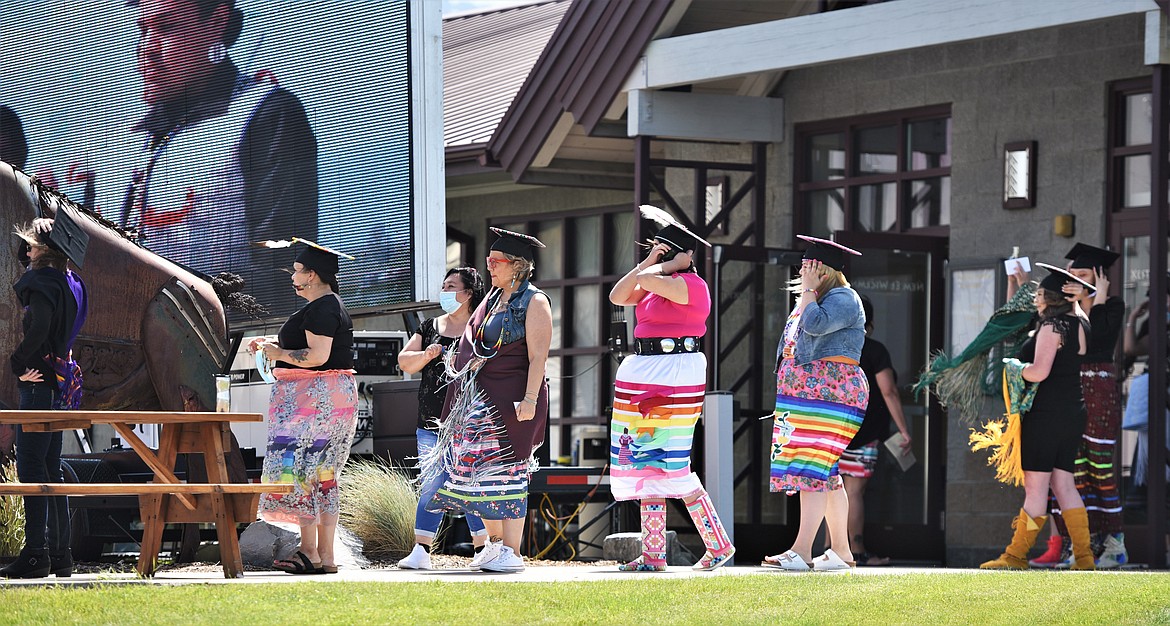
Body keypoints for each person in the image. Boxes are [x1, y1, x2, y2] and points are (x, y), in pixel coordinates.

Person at [116, 0, 317, 313]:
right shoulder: (131, 139)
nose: (147, 49)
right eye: (143, 30)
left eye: (165, 27)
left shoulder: (265, 114)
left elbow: (283, 275)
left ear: (216, 23)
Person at [607, 206, 735, 572]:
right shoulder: (653, 282)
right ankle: (653, 556)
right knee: (646, 461)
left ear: (686, 256)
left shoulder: (691, 286)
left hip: (674, 372)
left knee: (672, 462)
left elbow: (648, 280)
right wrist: (651, 259)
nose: (659, 256)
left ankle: (718, 544)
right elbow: (618, 295)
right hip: (645, 371)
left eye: (667, 250)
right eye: (657, 250)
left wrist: (660, 265)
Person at [420, 228, 552, 573]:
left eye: (496, 261)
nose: (490, 266)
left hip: (510, 400)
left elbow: (538, 357)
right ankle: (494, 546)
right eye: (489, 260)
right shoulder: (493, 297)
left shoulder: (534, 301)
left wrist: (529, 399)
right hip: (476, 400)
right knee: (476, 475)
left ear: (518, 265)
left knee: (508, 473)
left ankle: (512, 551)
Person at [978, 264, 1096, 570]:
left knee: (1036, 488)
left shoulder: (1052, 327)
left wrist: (1014, 368)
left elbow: (1040, 371)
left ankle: (1015, 556)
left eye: (1041, 295)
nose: (1037, 300)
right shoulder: (1081, 324)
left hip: (1045, 414)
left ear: (1053, 298)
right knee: (1064, 484)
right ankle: (1084, 558)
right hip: (1072, 411)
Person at [251, 240, 356, 575]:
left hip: (313, 397)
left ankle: (309, 551)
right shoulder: (325, 306)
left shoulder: (323, 307)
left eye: (297, 270)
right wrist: (274, 347)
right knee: (322, 475)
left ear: (312, 274)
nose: (293, 276)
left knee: (302, 470)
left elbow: (316, 356)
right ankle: (325, 556)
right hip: (327, 396)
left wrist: (278, 354)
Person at [763, 235, 868, 572]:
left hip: (830, 393)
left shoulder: (844, 298)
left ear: (826, 271)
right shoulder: (813, 299)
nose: (805, 273)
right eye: (804, 268)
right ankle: (841, 551)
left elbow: (816, 325)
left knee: (811, 469)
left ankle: (802, 550)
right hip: (809, 395)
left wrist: (807, 292)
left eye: (812, 268)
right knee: (825, 473)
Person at [2, 209, 89, 579]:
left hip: (38, 385)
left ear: (40, 248)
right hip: (60, 382)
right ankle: (60, 555)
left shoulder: (42, 281)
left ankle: (37, 554)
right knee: (51, 468)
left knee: (32, 468)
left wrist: (18, 362)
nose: (26, 250)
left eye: (30, 245)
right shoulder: (71, 281)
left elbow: (37, 327)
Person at [1029, 244, 1128, 569]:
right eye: (1072, 277)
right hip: (1072, 397)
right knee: (1075, 472)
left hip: (1099, 393)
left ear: (1100, 279)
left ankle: (1115, 542)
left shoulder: (1110, 306)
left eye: (1084, 277)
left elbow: (1097, 338)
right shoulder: (1067, 314)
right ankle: (1082, 546)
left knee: (1100, 468)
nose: (1075, 283)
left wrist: (1094, 298)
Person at [396, 267, 489, 570]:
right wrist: (426, 355)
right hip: (431, 424)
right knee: (432, 484)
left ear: (469, 293)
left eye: (452, 287)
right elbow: (404, 362)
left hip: (471, 425)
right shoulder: (430, 326)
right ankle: (422, 551)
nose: (445, 292)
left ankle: (483, 549)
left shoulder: (482, 328)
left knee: (471, 485)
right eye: (444, 285)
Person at [841, 294, 912, 567]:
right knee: (854, 493)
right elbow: (889, 391)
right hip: (865, 432)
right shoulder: (874, 350)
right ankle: (857, 553)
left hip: (834, 430)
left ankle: (829, 550)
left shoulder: (834, 348)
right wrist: (904, 429)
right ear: (867, 320)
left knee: (831, 491)